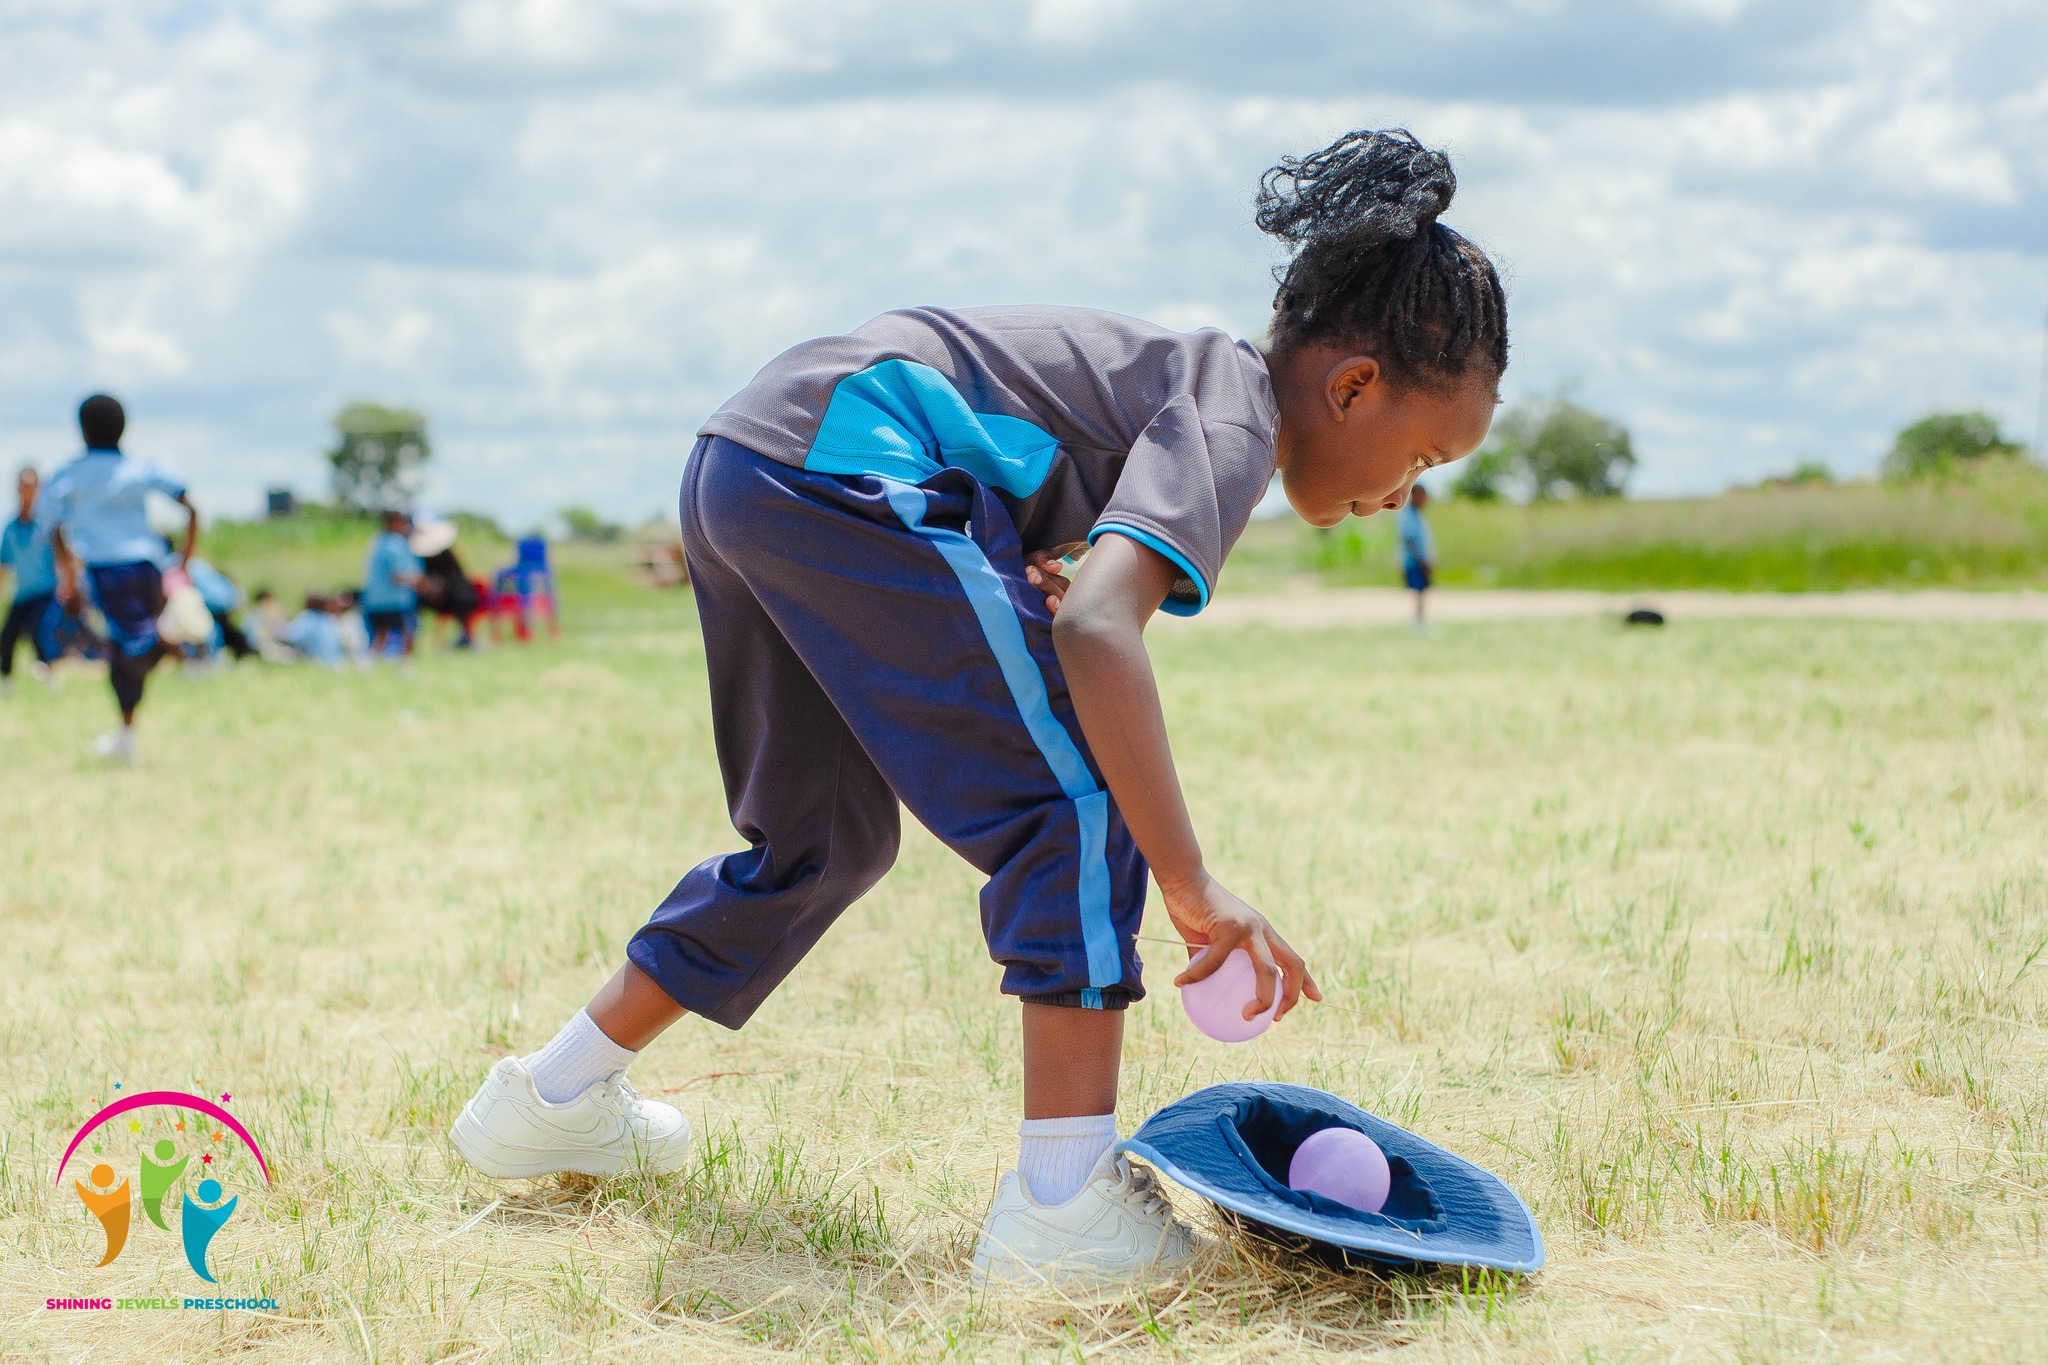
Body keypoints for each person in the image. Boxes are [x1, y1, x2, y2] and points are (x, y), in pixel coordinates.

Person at [447, 128, 1506, 1286]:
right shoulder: (1235, 418)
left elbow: (1063, 572)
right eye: (1419, 459)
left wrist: (1028, 556)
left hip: (749, 460)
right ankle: (1063, 1206)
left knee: (821, 842)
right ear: (1352, 387)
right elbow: (1095, 628)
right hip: (847, 465)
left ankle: (552, 1096)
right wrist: (1193, 887)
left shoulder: (1196, 390)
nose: (1398, 495)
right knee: (1077, 810)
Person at [41, 394, 197, 762]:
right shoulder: (140, 467)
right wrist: (183, 562)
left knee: (113, 645)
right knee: (123, 654)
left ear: (82, 429)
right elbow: (190, 504)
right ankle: (127, 733)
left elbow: (53, 528)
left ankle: (160, 642)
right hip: (148, 568)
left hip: (105, 570)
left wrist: (67, 575)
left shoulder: (70, 474)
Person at [1, 465, 60, 691]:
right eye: (23, 488)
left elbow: (62, 557)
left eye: (32, 488)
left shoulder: (47, 525)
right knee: (7, 637)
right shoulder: (9, 528)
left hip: (46, 592)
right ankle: (7, 681)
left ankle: (50, 678)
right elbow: (4, 564)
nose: (28, 492)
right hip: (22, 593)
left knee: (40, 631)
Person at [360, 510, 423, 659]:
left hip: (374, 599)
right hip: (395, 600)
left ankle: (368, 663)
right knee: (408, 632)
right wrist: (419, 582)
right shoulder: (396, 544)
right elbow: (396, 576)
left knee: (380, 634)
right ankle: (405, 666)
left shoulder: (376, 541)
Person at [410, 518, 482, 648]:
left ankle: (465, 637)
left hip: (456, 596)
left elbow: (453, 580)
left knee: (460, 599)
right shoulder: (425, 559)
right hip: (440, 597)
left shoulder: (447, 558)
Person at [1398, 482, 1436, 631]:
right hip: (1414, 562)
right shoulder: (1408, 515)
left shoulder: (1418, 515)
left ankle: (1422, 622)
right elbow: (1410, 540)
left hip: (1421, 561)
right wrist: (1422, 561)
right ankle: (1418, 624)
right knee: (1418, 592)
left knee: (1423, 592)